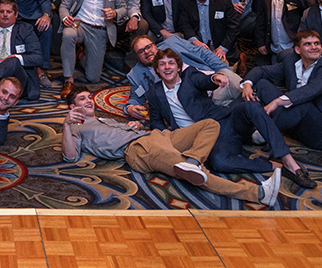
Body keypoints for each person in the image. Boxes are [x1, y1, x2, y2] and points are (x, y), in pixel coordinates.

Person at [61, 86, 280, 206]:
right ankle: (258, 193)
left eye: (89, 97)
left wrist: (135, 125)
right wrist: (66, 125)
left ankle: (194, 161)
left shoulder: (103, 119)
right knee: (195, 174)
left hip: (155, 136)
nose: (89, 100)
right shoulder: (76, 129)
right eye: (82, 99)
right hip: (138, 151)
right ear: (73, 106)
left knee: (210, 125)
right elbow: (70, 157)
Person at [145, 48, 315, 187]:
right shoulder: (154, 93)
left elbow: (203, 80)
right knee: (219, 163)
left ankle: (290, 163)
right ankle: (275, 165)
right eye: (162, 64)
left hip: (225, 120)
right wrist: (166, 134)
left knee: (251, 105)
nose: (167, 67)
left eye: (171, 63)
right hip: (206, 140)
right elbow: (156, 122)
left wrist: (215, 78)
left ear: (178, 67)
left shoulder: (189, 75)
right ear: (157, 69)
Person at [241, 30, 322, 150]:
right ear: (297, 50)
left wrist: (277, 102)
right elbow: (262, 71)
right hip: (293, 123)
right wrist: (247, 84)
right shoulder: (292, 61)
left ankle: (259, 135)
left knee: (302, 104)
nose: (314, 47)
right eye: (307, 44)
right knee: (262, 84)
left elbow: (310, 90)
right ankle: (238, 122)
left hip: (320, 132)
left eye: (317, 43)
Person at [59, 0, 126, 96]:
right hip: (79, 24)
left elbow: (123, 8)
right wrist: (65, 18)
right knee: (68, 35)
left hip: (99, 28)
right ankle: (68, 80)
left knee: (93, 78)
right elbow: (64, 5)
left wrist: (115, 13)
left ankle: (80, 55)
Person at [125, 34, 242, 120]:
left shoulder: (172, 43)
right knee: (235, 111)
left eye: (148, 47)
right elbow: (136, 96)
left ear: (155, 45)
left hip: (213, 79)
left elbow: (202, 53)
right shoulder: (136, 75)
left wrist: (223, 70)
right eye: (141, 51)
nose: (146, 52)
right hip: (201, 102)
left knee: (246, 91)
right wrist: (129, 108)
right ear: (137, 56)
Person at [179, 0, 241, 65]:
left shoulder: (224, 3)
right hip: (198, 49)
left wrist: (223, 48)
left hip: (221, 49)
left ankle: (241, 61)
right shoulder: (186, 4)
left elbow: (234, 28)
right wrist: (195, 41)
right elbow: (184, 25)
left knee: (220, 70)